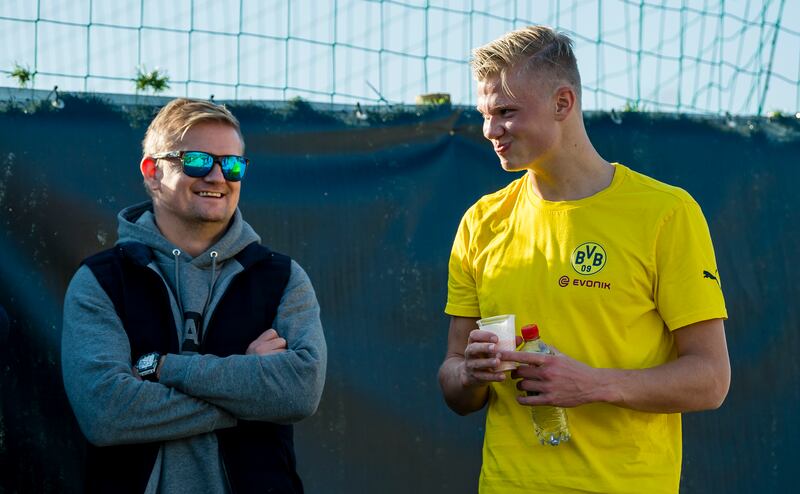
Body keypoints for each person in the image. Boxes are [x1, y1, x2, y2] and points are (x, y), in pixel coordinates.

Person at [438, 26, 730, 494]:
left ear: (562, 103)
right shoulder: (481, 222)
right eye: (485, 114)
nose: (490, 130)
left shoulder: (666, 212)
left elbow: (711, 380)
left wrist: (594, 384)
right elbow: (453, 379)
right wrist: (470, 373)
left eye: (506, 112)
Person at [62, 98, 326, 494]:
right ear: (153, 172)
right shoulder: (100, 281)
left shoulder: (283, 278)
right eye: (199, 161)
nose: (218, 176)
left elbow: (299, 391)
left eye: (232, 164)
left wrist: (163, 368)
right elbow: (106, 413)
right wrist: (248, 388)